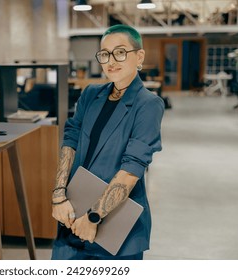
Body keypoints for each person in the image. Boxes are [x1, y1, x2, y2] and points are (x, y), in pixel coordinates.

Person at [51, 24, 164, 260]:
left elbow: (131, 169)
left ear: (139, 56)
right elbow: (70, 140)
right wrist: (59, 195)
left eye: (120, 52)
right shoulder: (91, 94)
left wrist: (93, 217)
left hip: (115, 226)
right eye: (104, 54)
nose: (111, 60)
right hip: (73, 213)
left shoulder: (148, 105)